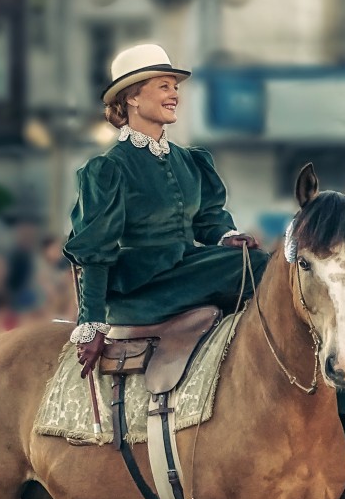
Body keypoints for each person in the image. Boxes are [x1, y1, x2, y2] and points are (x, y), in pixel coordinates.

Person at [63, 44, 264, 378]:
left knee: (256, 263)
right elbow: (96, 252)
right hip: (143, 288)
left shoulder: (190, 160)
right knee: (258, 266)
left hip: (188, 269)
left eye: (175, 87)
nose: (175, 95)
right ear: (133, 98)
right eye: (164, 86)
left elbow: (207, 219)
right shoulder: (109, 168)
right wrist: (92, 323)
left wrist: (225, 237)